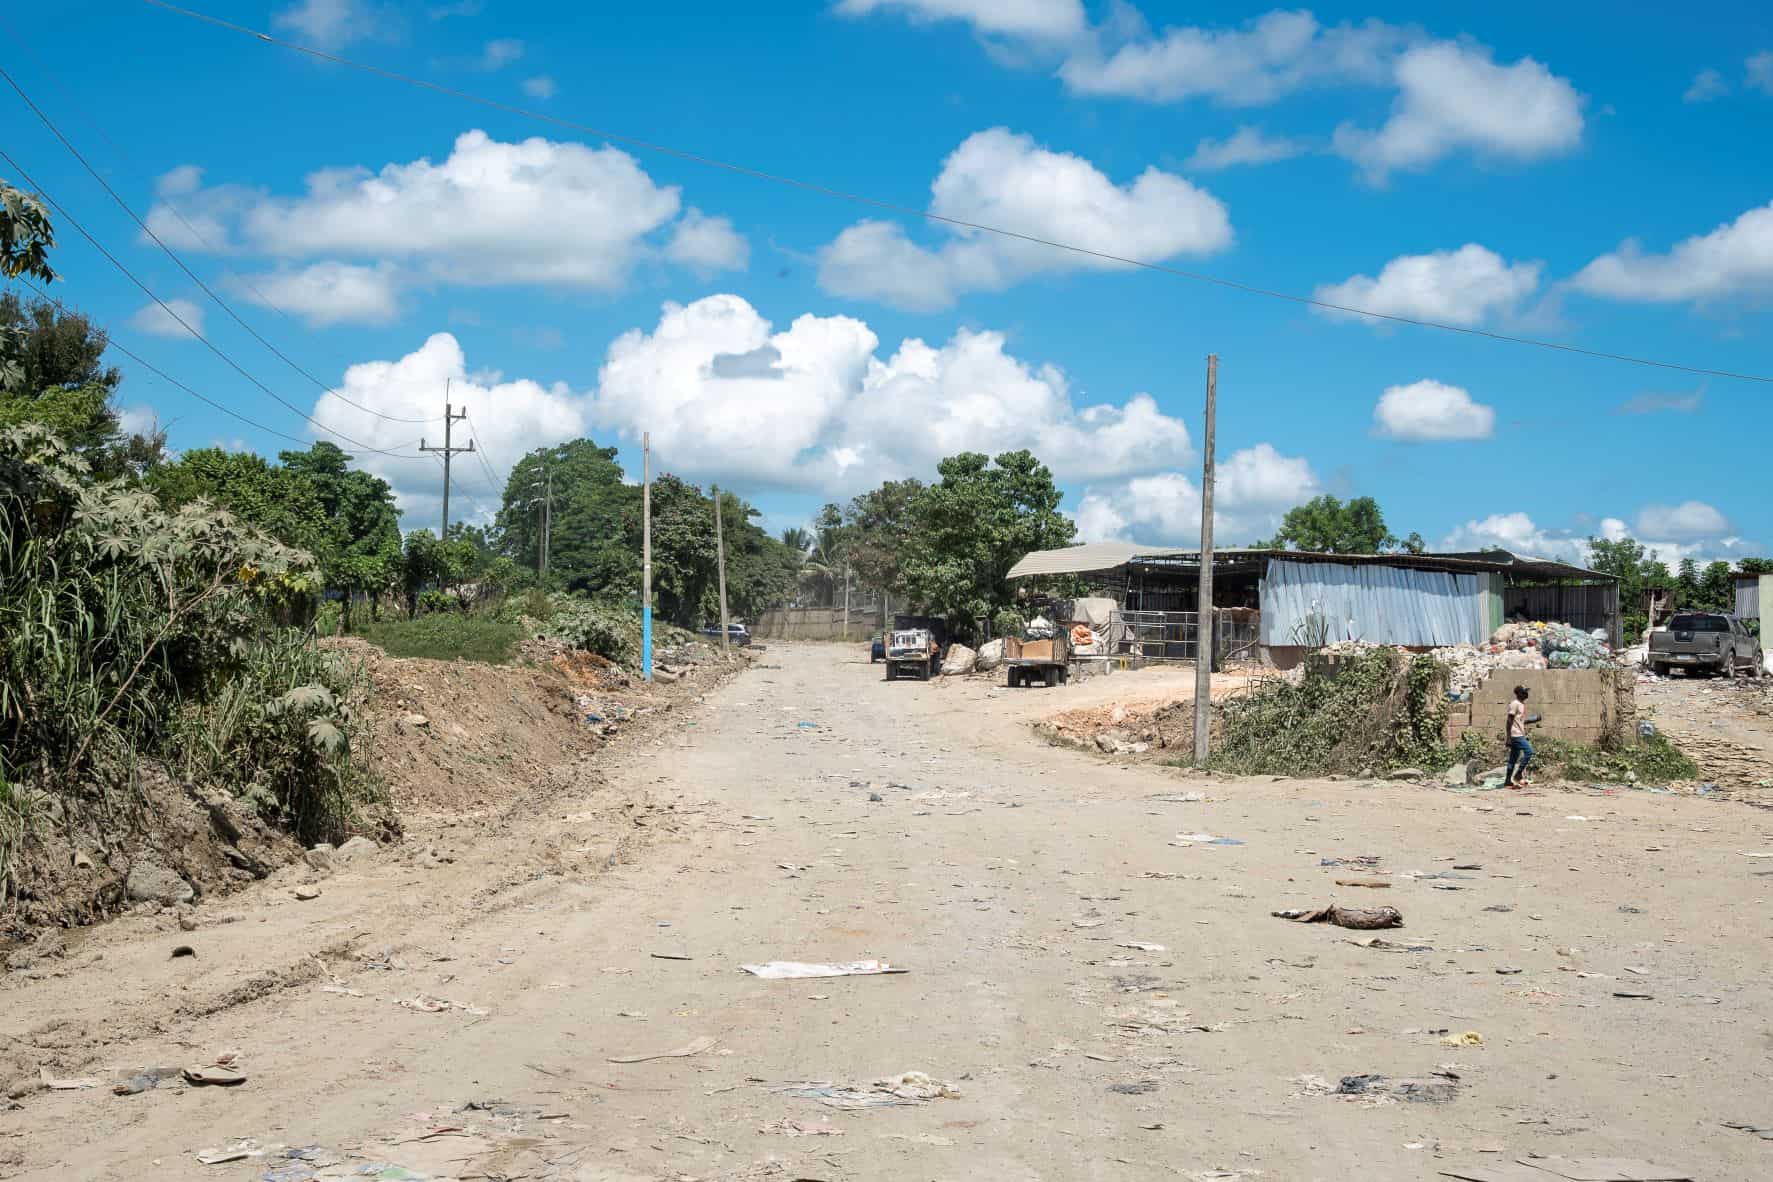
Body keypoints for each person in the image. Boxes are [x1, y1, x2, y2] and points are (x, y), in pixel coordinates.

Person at [1505, 685, 1533, 788]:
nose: (1526, 694)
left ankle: (1507, 781)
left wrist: (1533, 719)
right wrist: (1508, 737)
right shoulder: (1515, 704)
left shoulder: (1521, 704)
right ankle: (1518, 774)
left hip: (1519, 733)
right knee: (1529, 751)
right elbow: (1509, 720)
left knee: (1513, 759)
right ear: (1519, 694)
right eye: (1524, 692)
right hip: (1516, 734)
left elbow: (1520, 721)